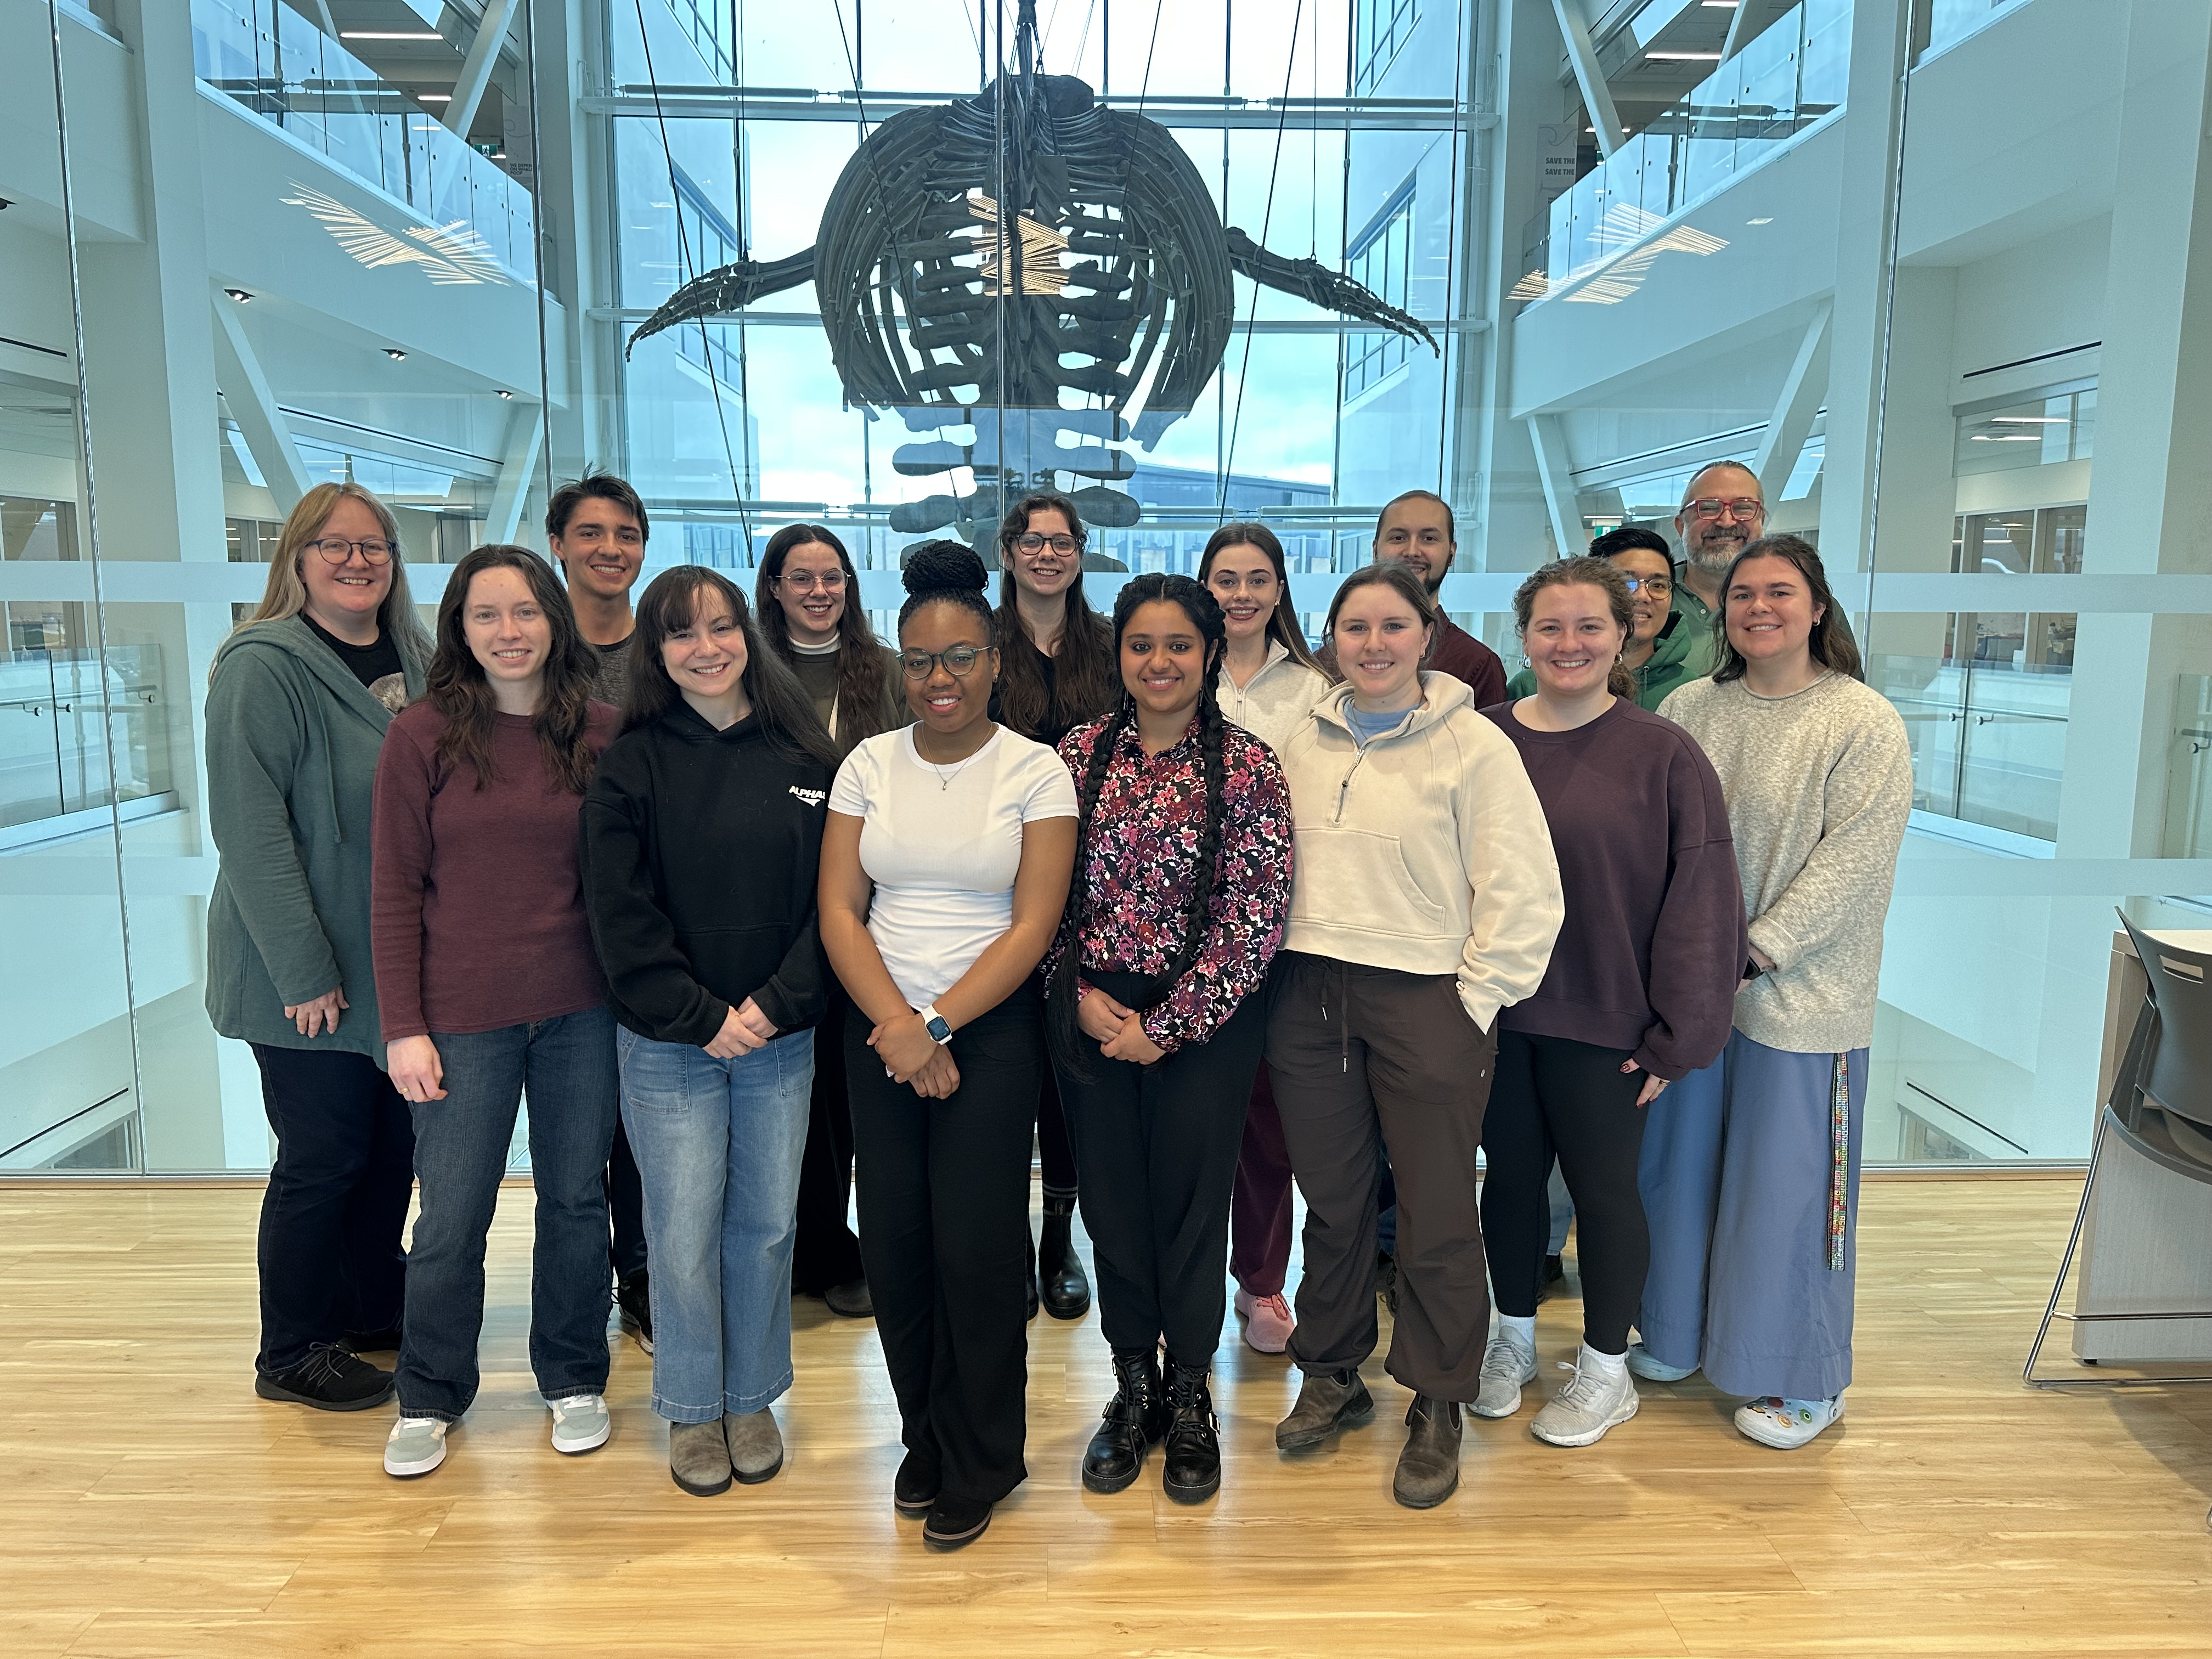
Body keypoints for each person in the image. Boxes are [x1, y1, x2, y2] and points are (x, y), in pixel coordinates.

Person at [1266, 562, 1563, 1509]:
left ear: (1427, 635)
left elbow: (1524, 889)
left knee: (1435, 1214)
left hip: (1427, 997)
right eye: (1355, 627)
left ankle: (1438, 1396)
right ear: (1330, 639)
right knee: (1334, 1203)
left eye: (1393, 625)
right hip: (1308, 994)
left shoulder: (1476, 745)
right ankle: (1332, 1370)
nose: (1374, 644)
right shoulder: (1296, 739)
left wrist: (1474, 1001)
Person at [820, 542, 1079, 1550]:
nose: (941, 678)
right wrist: (897, 1023)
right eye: (922, 659)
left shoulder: (1035, 769)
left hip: (988, 1029)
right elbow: (841, 910)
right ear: (901, 663)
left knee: (975, 1248)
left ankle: (983, 1455)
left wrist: (932, 1024)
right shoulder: (867, 763)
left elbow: (1033, 924)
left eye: (962, 657)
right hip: (878, 1024)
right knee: (895, 1244)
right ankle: (922, 1437)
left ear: (996, 660)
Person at [1640, 534, 1912, 1449]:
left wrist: (1756, 949)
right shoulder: (1690, 707)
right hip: (1696, 994)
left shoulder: (1861, 719)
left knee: (1786, 1194)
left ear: (1817, 608)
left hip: (1803, 1001)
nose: (1759, 607)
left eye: (1781, 592)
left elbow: (1855, 861)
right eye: (1743, 593)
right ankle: (1678, 1334)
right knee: (1678, 1176)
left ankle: (1804, 1375)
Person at [1472, 557, 1743, 1450]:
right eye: (1549, 626)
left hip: (1607, 1021)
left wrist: (1680, 1035)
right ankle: (1511, 1338)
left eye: (1589, 625)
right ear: (1524, 637)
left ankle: (1604, 1369)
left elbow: (1702, 897)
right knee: (1510, 1182)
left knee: (1603, 1192)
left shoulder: (1663, 753)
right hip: (1498, 1015)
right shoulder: (1481, 741)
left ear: (1624, 637)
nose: (1569, 643)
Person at [578, 567, 838, 1497]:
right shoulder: (631, 764)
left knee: (765, 1227)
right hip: (669, 1044)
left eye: (721, 627)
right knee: (681, 1230)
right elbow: (619, 913)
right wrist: (701, 1016)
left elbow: (840, 903)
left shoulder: (808, 756)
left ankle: (751, 1396)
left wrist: (775, 1004)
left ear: (747, 636)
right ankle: (693, 1406)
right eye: (682, 633)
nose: (706, 648)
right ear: (655, 652)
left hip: (780, 1035)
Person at [370, 547, 621, 1480]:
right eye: (486, 615)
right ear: (460, 629)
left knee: (576, 1199)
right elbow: (393, 889)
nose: (508, 632)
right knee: (451, 1215)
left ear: (554, 619)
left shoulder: (603, 732)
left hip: (581, 1012)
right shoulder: (422, 736)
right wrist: (404, 1026)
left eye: (525, 612)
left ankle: (574, 1375)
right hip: (461, 1018)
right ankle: (429, 1392)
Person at [1047, 574, 1294, 1504]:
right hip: (1091, 1011)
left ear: (1210, 652)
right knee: (1113, 1207)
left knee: (1192, 1208)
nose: (1159, 662)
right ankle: (1133, 1387)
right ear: (1117, 654)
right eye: (1141, 644)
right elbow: (1036, 895)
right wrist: (1076, 994)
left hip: (1204, 1022)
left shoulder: (1250, 766)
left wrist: (1171, 1024)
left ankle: (1190, 1391)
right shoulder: (1074, 757)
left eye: (1179, 644)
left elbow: (1257, 913)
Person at [205, 481, 432, 1410]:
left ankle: (370, 1304)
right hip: (303, 975)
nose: (356, 561)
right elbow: (251, 832)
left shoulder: (420, 660)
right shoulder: (263, 665)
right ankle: (292, 1349)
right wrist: (304, 971)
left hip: (390, 970)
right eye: (334, 544)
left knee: (387, 1153)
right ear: (296, 557)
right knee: (323, 1157)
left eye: (373, 545)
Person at [757, 523, 906, 1323]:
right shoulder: (747, 666)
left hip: (868, 905)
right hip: (773, 904)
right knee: (789, 1091)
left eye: (833, 577)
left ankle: (838, 1244)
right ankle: (795, 1244)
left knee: (846, 1092)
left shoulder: (885, 671)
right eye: (802, 578)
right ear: (774, 588)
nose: (820, 592)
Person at [1199, 524, 1329, 1356]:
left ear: (1280, 590)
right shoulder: (1178, 670)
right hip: (1176, 938)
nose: (1241, 595)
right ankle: (1183, 1277)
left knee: (1267, 1124)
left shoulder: (1317, 690)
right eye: (1225, 579)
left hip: (1280, 937)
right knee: (1189, 1121)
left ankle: (1260, 1280)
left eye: (1257, 579)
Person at [991, 492, 1118, 1321]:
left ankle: (1058, 1236)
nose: (1047, 554)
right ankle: (1006, 1235)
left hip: (1092, 881)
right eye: (1032, 541)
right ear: (1008, 551)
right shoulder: (981, 642)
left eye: (1062, 541)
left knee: (1070, 1069)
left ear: (1080, 552)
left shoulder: (1109, 646)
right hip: (994, 879)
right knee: (1006, 1067)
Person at [545, 472, 655, 1354]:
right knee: (578, 1147)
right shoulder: (533, 651)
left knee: (645, 1127)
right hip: (554, 930)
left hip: (648, 920)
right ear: (558, 546)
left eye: (625, 533)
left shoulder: (663, 652)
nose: (609, 549)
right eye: (591, 532)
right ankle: (577, 1316)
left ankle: (644, 1281)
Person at [1314, 489, 1507, 707]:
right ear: (1375, 550)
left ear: (1452, 553)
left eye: (1429, 538)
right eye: (1398, 538)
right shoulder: (1324, 664)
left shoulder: (1477, 665)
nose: (1412, 551)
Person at [1504, 527, 1715, 711]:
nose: (1643, 596)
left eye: (1658, 585)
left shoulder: (1691, 691)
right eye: (1626, 582)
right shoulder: (1530, 686)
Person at [1671, 461, 1767, 632]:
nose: (1726, 522)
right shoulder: (1645, 599)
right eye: (1708, 508)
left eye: (1743, 508)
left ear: (1762, 522)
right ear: (1682, 526)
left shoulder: (1800, 602)